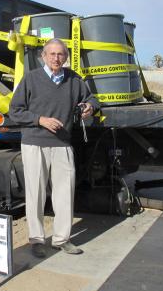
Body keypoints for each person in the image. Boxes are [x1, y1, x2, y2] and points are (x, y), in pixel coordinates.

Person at [9, 38, 100, 258]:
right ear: (43, 56)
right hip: (34, 143)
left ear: (66, 57)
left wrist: (90, 107)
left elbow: (92, 99)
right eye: (52, 54)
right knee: (36, 194)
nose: (56, 58)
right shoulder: (31, 79)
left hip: (62, 144)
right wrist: (40, 120)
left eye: (60, 54)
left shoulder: (75, 80)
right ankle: (37, 240)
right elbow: (15, 111)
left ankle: (62, 239)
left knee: (64, 193)